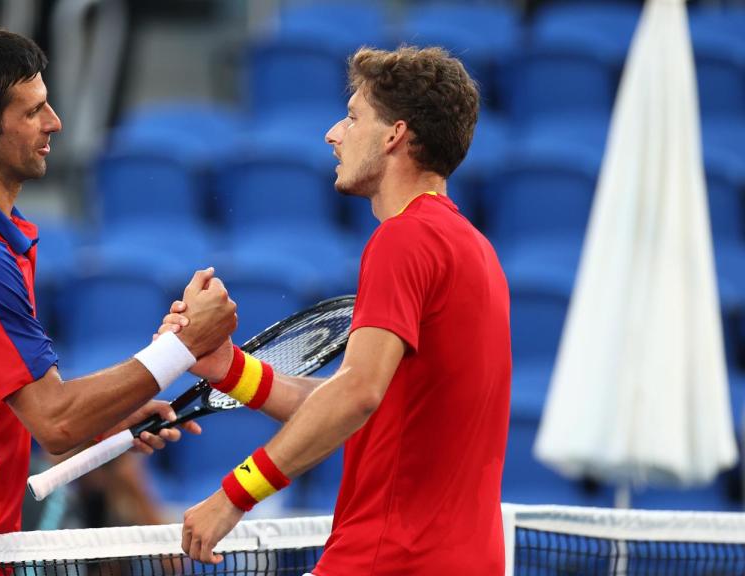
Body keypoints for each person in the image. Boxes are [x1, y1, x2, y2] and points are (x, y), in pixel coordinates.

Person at [0, 27, 237, 539]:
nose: (54, 123)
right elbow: (55, 421)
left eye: (47, 105)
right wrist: (184, 346)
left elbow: (10, 410)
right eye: (32, 112)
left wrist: (109, 419)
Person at [165, 46, 511, 574]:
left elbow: (356, 393)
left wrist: (235, 494)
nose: (333, 134)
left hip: (389, 559)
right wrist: (228, 370)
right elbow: (361, 402)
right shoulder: (477, 251)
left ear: (394, 134)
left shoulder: (404, 239)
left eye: (353, 117)